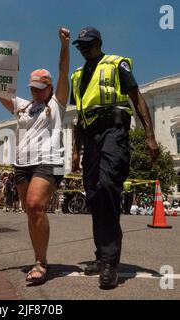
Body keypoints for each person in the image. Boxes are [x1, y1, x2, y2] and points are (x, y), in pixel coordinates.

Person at [0, 27, 70, 285]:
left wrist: (64, 46)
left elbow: (63, 72)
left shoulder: (57, 103)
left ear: (50, 87)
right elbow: (1, 92)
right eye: (32, 87)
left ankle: (40, 263)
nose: (35, 91)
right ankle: (40, 257)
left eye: (40, 88)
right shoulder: (25, 106)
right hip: (22, 164)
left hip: (48, 161)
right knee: (31, 212)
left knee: (34, 205)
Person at [71, 27, 159, 289]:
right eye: (80, 45)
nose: (84, 49)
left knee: (109, 186)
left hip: (114, 131)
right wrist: (76, 151)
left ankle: (109, 262)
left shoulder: (115, 64)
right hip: (90, 137)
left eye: (88, 44)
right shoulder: (77, 76)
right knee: (95, 196)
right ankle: (102, 256)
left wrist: (150, 136)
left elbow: (137, 99)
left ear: (99, 43)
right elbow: (79, 116)